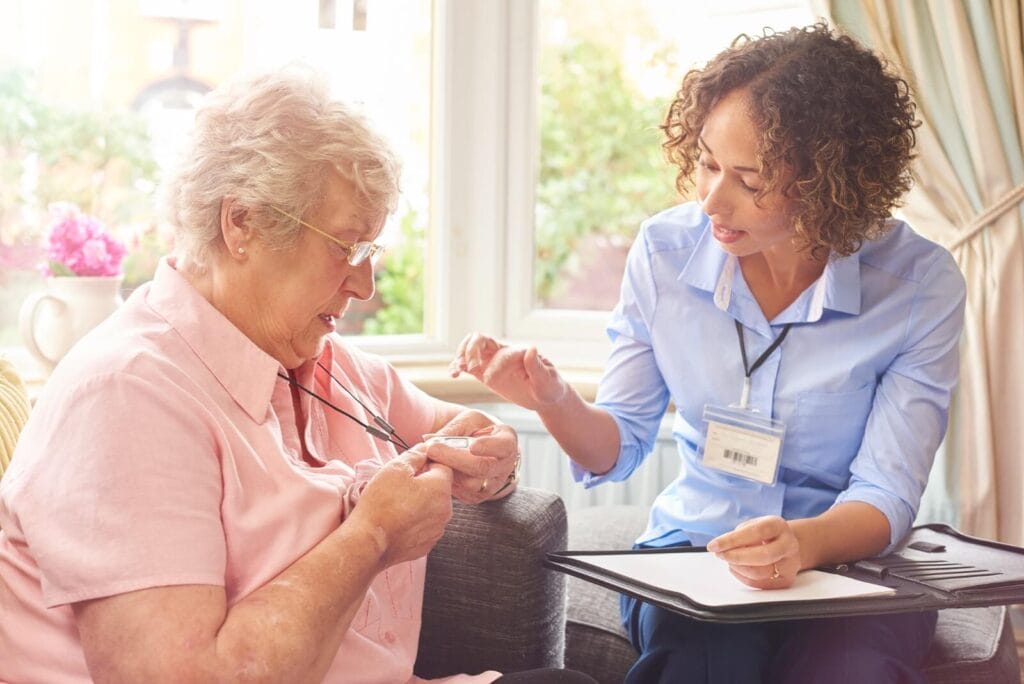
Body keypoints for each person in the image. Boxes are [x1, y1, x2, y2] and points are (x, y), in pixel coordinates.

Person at [0, 70, 594, 684]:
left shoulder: (318, 358)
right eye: (344, 247)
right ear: (242, 224)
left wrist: (492, 459)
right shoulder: (127, 395)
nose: (365, 286)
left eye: (370, 251)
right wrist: (373, 537)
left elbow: (458, 429)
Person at [451, 23, 965, 683]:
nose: (712, 199)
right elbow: (618, 444)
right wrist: (551, 400)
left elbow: (886, 492)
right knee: (702, 664)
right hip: (697, 551)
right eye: (707, 162)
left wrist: (800, 544)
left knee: (844, 671)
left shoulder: (917, 285)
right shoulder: (665, 253)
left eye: (750, 179)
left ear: (830, 182)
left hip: (849, 563)